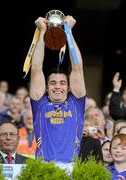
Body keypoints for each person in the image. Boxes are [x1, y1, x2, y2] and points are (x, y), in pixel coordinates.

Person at [29, 15, 86, 172]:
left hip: (71, 168)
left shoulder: (76, 103)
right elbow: (35, 69)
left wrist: (68, 31)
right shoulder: (40, 104)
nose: (57, 87)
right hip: (43, 167)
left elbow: (77, 68)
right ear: (46, 87)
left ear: (69, 87)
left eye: (62, 83)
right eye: (53, 83)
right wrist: (42, 32)